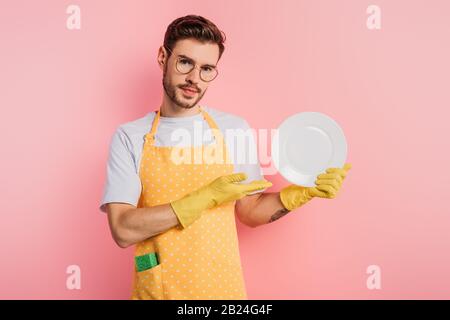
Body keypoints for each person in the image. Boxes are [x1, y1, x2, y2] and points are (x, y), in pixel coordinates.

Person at [99, 14, 352, 300]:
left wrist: (302, 193)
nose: (195, 78)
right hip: (159, 292)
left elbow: (250, 210)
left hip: (222, 291)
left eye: (207, 69)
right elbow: (122, 229)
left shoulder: (234, 129)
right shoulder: (129, 137)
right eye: (185, 62)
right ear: (162, 57)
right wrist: (204, 198)